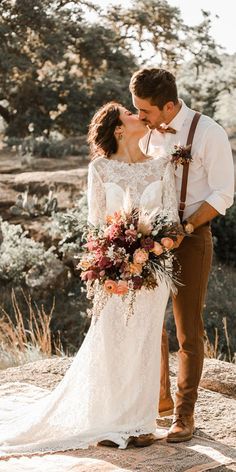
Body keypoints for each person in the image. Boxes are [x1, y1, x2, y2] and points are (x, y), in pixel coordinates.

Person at [0, 102, 179, 457]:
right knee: (112, 338)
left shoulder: (163, 166)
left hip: (154, 268)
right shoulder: (100, 168)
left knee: (144, 338)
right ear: (117, 128)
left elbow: (170, 217)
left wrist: (155, 250)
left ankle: (140, 422)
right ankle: (111, 417)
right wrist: (110, 264)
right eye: (132, 114)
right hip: (113, 268)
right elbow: (95, 225)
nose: (140, 116)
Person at [129, 68, 234, 442]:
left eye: (146, 111)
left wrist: (185, 228)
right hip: (149, 245)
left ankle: (183, 414)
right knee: (149, 325)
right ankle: (155, 405)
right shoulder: (145, 135)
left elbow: (224, 193)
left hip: (192, 238)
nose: (140, 117)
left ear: (169, 105)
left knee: (188, 329)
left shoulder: (209, 133)